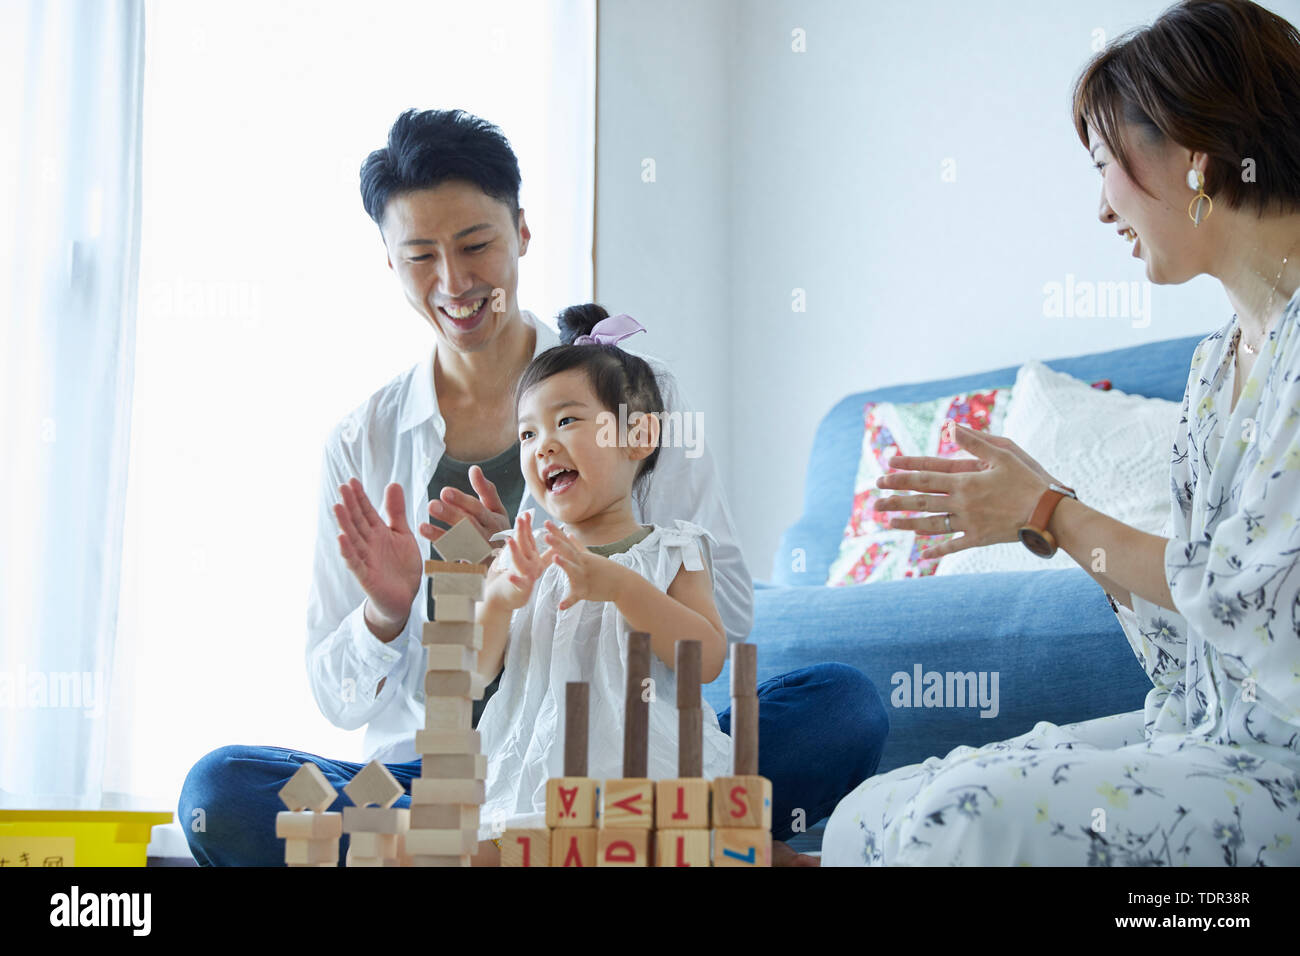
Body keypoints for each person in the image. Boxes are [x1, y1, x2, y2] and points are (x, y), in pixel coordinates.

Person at [179, 109, 889, 867]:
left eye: (476, 245)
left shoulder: (636, 396)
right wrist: (396, 611)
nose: (454, 282)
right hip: (459, 777)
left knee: (843, 707)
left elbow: (728, 623)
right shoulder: (362, 443)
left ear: (522, 230)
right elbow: (350, 695)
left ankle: (574, 840)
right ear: (390, 264)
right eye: (421, 255)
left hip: (627, 748)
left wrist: (606, 566)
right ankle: (656, 847)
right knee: (220, 794)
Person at [822, 0, 1300, 866]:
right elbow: (1190, 640)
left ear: (1195, 154)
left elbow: (1246, 601)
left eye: (1106, 165)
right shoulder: (1213, 369)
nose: (1102, 210)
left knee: (956, 821)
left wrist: (1051, 510)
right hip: (1204, 733)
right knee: (870, 813)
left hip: (1283, 767)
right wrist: (1047, 517)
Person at [458, 305, 734, 860]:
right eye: (528, 433)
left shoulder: (673, 549)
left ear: (638, 436)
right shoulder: (520, 556)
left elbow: (704, 660)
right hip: (531, 773)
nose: (543, 446)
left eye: (566, 421)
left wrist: (623, 587)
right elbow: (473, 671)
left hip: (642, 773)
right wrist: (496, 601)